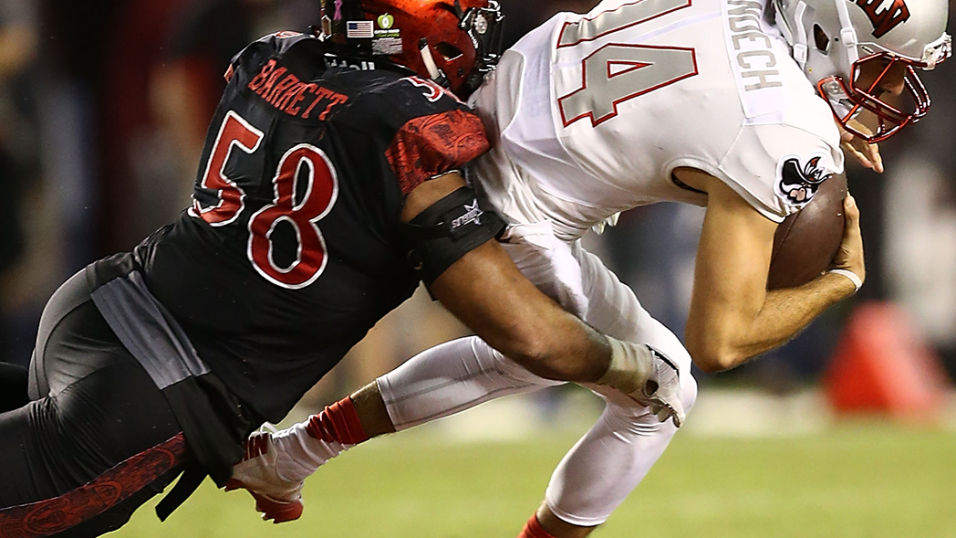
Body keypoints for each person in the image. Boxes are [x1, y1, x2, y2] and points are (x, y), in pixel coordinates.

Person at [228, 0, 951, 536]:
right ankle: (293, 453)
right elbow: (721, 338)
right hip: (515, 197)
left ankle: (290, 456)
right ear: (827, 32)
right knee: (663, 387)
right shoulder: (783, 124)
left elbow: (719, 86)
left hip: (487, 115)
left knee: (568, 361)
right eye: (884, 72)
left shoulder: (742, 13)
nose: (886, 96)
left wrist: (809, 117)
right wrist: (838, 283)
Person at [0, 1, 687, 536]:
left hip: (99, 305)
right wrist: (629, 365)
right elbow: (527, 333)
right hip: (150, 394)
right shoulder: (408, 127)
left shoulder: (274, 56)